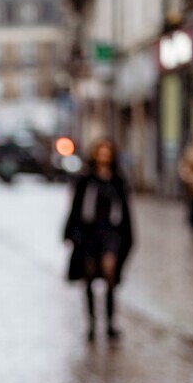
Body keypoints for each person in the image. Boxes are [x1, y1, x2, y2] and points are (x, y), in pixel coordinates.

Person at [63, 138, 134, 342]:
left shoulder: (118, 180)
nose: (103, 156)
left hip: (111, 233)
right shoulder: (86, 179)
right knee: (89, 276)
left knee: (110, 272)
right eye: (100, 152)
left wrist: (129, 236)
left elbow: (126, 211)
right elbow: (76, 208)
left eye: (107, 152)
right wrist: (71, 233)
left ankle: (111, 322)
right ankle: (92, 324)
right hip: (88, 234)